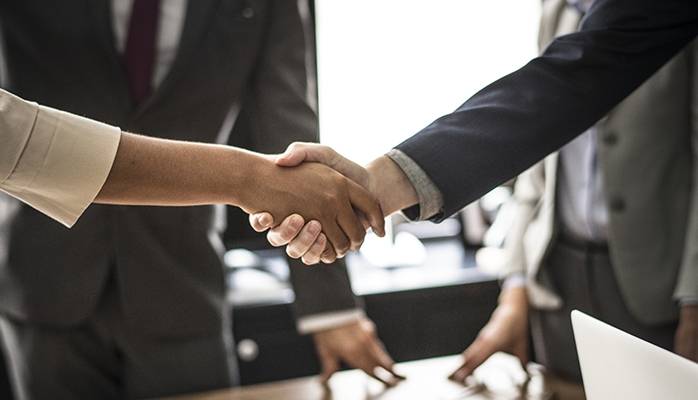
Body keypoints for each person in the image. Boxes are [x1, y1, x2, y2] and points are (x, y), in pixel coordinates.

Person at [0, 2, 398, 399]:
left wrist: (330, 308)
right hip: (39, 274)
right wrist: (244, 179)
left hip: (181, 282)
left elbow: (291, 138)